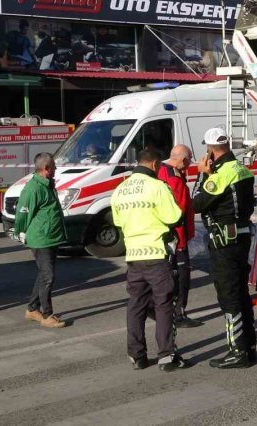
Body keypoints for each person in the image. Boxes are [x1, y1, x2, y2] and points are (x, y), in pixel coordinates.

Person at [111, 149, 190, 372]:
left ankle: (136, 355)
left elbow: (118, 221)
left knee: (136, 305)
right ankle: (166, 355)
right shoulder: (157, 187)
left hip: (133, 256)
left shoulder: (121, 189)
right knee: (164, 304)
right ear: (155, 164)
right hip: (156, 253)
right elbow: (174, 216)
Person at [192, 128, 257, 369]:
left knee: (229, 296)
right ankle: (249, 346)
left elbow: (197, 202)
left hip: (224, 242)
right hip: (241, 238)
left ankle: (237, 352)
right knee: (241, 293)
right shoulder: (242, 169)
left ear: (211, 149)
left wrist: (203, 175)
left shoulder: (221, 173)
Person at [13, 152, 68, 328]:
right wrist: (20, 231)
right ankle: (47, 314)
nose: (56, 169)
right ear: (46, 169)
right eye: (54, 167)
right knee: (48, 276)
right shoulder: (33, 188)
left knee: (44, 274)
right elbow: (23, 212)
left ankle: (32, 309)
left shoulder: (47, 184)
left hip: (50, 237)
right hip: (41, 239)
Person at [158, 144, 203, 328]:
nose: (187, 167)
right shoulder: (174, 177)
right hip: (176, 237)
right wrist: (182, 240)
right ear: (182, 160)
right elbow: (180, 211)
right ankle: (179, 313)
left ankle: (164, 310)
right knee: (182, 276)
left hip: (162, 236)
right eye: (187, 163)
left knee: (166, 275)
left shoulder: (160, 171)